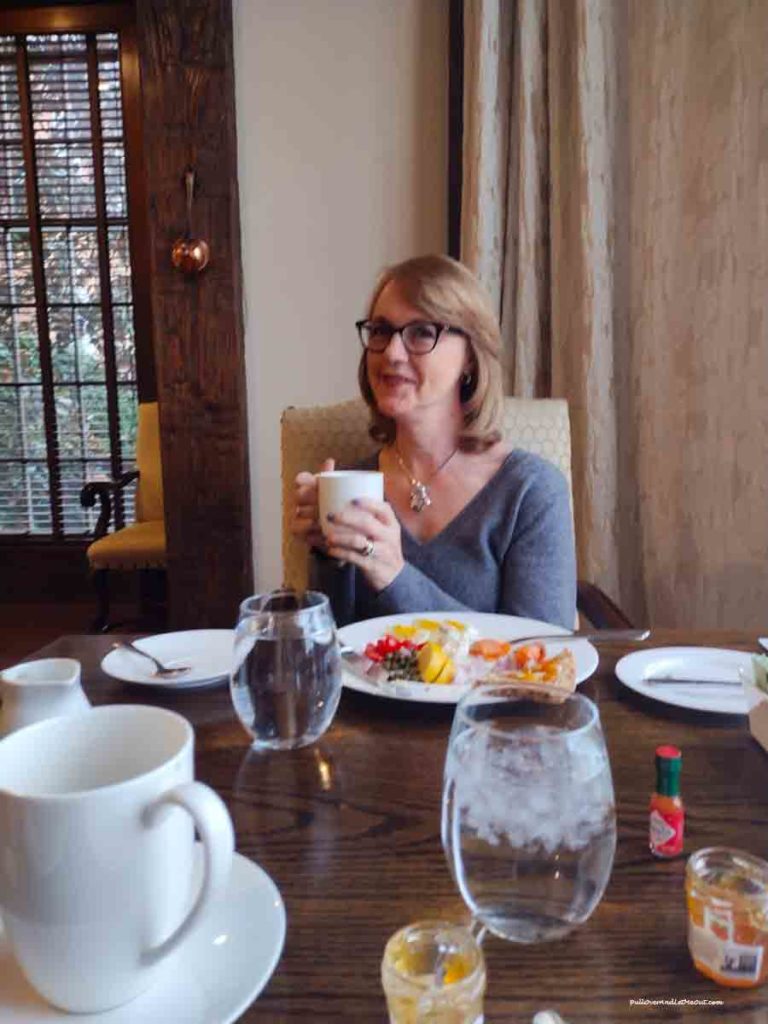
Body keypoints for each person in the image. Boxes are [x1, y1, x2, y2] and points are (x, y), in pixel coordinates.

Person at [290, 254, 576, 628]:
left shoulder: (531, 492)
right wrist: (329, 555)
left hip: (492, 690)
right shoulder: (351, 485)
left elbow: (542, 653)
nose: (391, 353)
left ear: (470, 358)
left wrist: (394, 574)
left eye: (422, 332)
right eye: (380, 330)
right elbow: (331, 647)